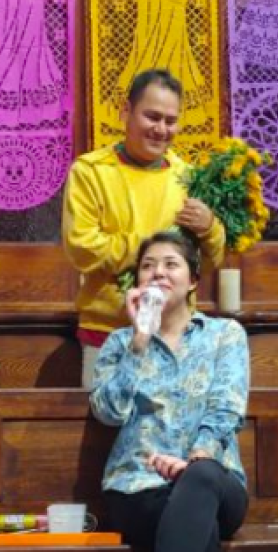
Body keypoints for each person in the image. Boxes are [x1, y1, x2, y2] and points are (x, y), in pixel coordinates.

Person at [91, 232, 249, 552]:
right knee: (192, 520)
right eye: (147, 266)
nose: (157, 272)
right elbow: (108, 412)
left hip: (217, 481)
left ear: (194, 280)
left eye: (171, 264)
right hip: (138, 487)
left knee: (200, 481)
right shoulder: (119, 343)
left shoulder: (225, 335)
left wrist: (197, 456)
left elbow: (226, 408)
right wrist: (140, 337)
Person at [64, 68, 227, 388]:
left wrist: (210, 229)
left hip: (174, 333)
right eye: (152, 117)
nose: (161, 129)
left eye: (170, 120)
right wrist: (158, 252)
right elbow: (82, 248)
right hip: (109, 333)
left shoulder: (187, 177)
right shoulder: (91, 171)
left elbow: (204, 263)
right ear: (126, 112)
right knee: (105, 429)